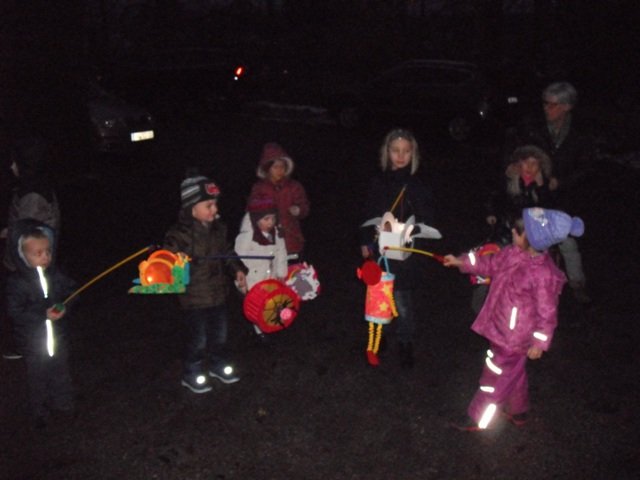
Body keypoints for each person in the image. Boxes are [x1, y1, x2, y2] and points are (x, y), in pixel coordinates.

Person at [443, 207, 584, 431]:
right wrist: (462, 262)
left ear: (531, 239)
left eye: (517, 232)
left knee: (496, 375)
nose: (512, 233)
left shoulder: (543, 274)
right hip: (500, 326)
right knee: (513, 371)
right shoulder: (512, 253)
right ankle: (519, 410)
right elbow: (489, 263)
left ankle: (477, 417)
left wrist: (539, 342)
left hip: (515, 337)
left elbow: (547, 313)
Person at [505, 82, 592, 303]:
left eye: (552, 105)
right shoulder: (532, 127)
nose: (546, 108)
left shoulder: (580, 133)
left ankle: (577, 282)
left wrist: (560, 182)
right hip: (531, 194)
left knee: (568, 241)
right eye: (544, 103)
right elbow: (515, 151)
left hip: (561, 196)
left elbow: (585, 167)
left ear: (566, 106)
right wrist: (513, 168)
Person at [164, 172, 248, 394]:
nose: (214, 209)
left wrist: (237, 269)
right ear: (192, 209)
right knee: (197, 339)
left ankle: (218, 365)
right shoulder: (179, 234)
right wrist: (180, 262)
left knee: (220, 335)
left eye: (215, 204)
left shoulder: (219, 229)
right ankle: (192, 373)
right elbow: (169, 263)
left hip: (218, 294)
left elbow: (227, 253)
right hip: (194, 299)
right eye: (208, 205)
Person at [359, 128, 436, 369]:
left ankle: (405, 342)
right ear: (387, 152)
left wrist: (412, 230)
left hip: (406, 253)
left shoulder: (418, 184)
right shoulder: (378, 182)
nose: (400, 156)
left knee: (402, 300)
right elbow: (368, 212)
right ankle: (378, 336)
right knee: (378, 296)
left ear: (413, 154)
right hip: (380, 251)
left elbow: (427, 217)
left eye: (406, 151)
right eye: (395, 151)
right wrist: (365, 241)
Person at [5, 219, 76, 428]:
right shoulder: (17, 283)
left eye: (48, 251)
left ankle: (64, 406)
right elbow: (15, 312)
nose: (45, 257)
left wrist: (65, 306)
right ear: (22, 255)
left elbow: (72, 292)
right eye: (38, 253)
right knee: (37, 379)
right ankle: (40, 413)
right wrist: (42, 314)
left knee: (61, 374)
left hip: (58, 338)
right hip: (33, 344)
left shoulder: (56, 275)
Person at [2, 135, 61, 360]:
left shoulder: (32, 193)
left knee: (29, 305)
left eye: (15, 161)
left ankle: (30, 348)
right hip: (32, 261)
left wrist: (13, 239)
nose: (11, 167)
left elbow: (30, 233)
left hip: (28, 265)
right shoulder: (34, 185)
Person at [234, 195, 288, 341]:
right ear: (256, 219)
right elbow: (238, 259)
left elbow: (281, 253)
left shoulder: (276, 234)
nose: (270, 222)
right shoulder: (247, 236)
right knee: (257, 306)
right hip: (253, 280)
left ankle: (271, 326)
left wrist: (281, 273)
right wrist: (241, 281)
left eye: (273, 218)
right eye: (266, 219)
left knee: (271, 303)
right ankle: (259, 331)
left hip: (270, 277)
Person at [249, 142, 309, 260]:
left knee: (294, 270)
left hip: (291, 240)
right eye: (275, 167)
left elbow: (304, 206)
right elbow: (251, 211)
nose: (279, 170)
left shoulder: (294, 186)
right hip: (267, 241)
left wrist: (298, 210)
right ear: (267, 168)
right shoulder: (259, 188)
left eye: (282, 167)